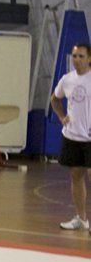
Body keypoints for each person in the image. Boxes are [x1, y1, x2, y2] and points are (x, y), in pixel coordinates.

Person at [50, 43, 91, 234]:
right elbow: (54, 98)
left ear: (89, 58)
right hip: (73, 137)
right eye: (75, 56)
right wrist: (61, 116)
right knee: (76, 176)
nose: (77, 60)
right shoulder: (67, 80)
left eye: (81, 56)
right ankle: (81, 219)